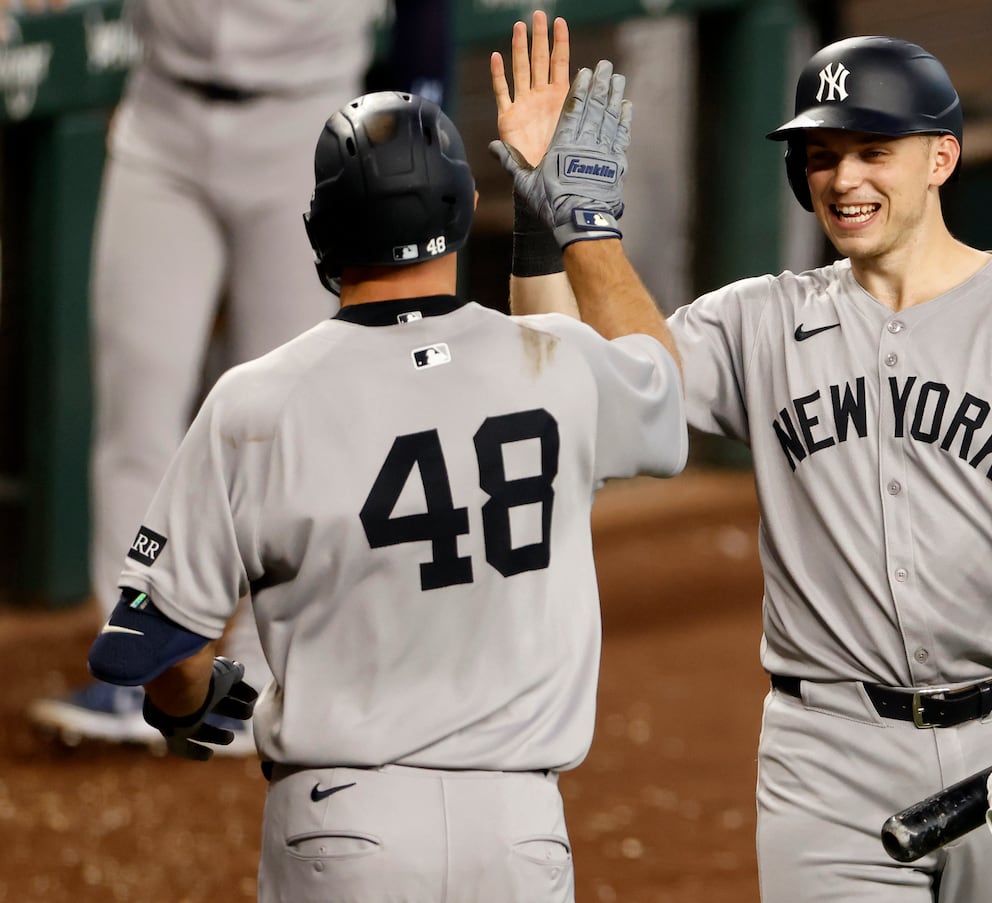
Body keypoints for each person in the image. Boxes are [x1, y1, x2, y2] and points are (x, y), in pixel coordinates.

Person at [506, 26, 992, 903]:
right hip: (828, 757)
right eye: (822, 156)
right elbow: (599, 380)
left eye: (872, 152)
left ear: (941, 159)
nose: (844, 180)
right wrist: (555, 231)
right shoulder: (759, 321)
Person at [82, 64, 686, 902]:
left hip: (343, 828)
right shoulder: (558, 367)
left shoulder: (257, 403)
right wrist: (576, 224)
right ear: (464, 212)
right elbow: (661, 384)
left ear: (319, 232)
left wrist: (186, 705)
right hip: (520, 835)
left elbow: (156, 643)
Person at [28, 0, 450, 753]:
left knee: (294, 420)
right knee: (138, 399)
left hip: (307, 120)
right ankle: (138, 668)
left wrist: (421, 97)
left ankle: (267, 675)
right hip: (161, 115)